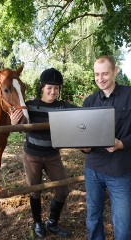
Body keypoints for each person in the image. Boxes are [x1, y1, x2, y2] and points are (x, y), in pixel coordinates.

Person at [10, 68, 77, 239]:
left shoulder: (63, 106)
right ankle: (37, 222)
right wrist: (14, 122)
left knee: (63, 189)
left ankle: (52, 223)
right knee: (35, 190)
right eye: (49, 88)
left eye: (56, 88)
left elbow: (82, 114)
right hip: (32, 155)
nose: (53, 91)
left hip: (53, 155)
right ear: (42, 88)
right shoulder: (31, 105)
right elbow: (20, 124)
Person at [82, 56, 131, 240]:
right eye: (96, 74)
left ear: (115, 71)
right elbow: (83, 135)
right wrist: (84, 147)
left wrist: (122, 143)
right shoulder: (89, 102)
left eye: (105, 73)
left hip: (121, 171)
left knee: (124, 224)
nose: (100, 78)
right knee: (93, 219)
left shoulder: (129, 95)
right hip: (93, 170)